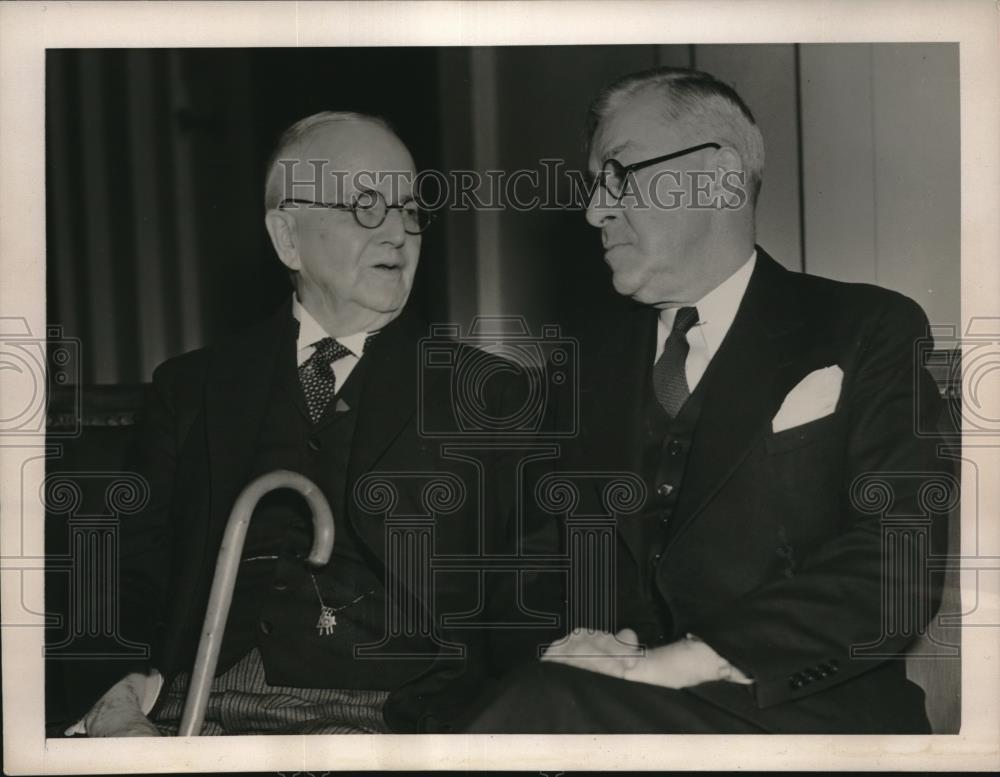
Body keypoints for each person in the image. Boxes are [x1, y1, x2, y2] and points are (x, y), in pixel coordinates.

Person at [463, 67, 952, 734]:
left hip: (804, 717)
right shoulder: (581, 368)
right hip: (606, 709)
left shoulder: (866, 329)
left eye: (617, 174)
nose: (594, 211)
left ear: (718, 177)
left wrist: (691, 660)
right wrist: (558, 646)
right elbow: (529, 563)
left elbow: (898, 558)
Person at [68, 111, 553, 736]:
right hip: (195, 713)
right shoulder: (191, 390)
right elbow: (125, 578)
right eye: (367, 206)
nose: (399, 233)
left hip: (389, 723)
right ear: (287, 237)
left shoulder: (487, 394)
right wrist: (115, 704)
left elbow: (530, 594)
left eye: (410, 208)